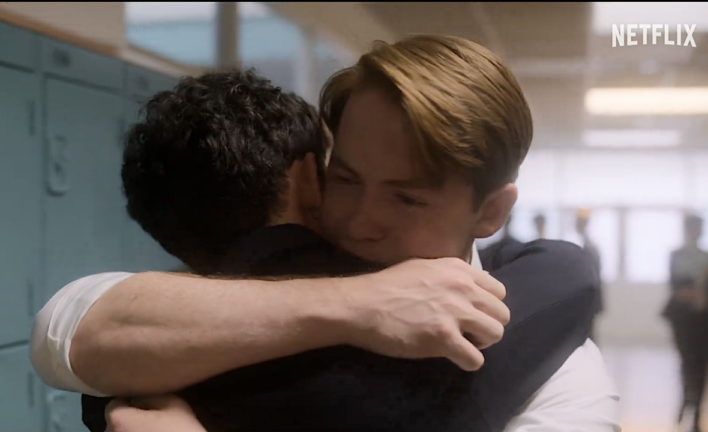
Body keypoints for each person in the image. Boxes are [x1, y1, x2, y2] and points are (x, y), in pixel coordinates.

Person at [31, 36, 619, 431]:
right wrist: (359, 302)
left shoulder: (563, 376)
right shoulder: (228, 299)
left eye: (407, 197)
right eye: (347, 180)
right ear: (313, 178)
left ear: (490, 212)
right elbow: (64, 330)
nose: (359, 223)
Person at [663, 213, 708, 432]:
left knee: (700, 365)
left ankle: (696, 409)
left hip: (702, 318)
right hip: (683, 319)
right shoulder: (676, 255)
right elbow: (675, 286)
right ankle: (687, 400)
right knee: (686, 362)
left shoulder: (705, 257)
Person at [576, 208, 604, 341]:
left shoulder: (590, 248)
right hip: (587, 297)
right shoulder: (587, 246)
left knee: (589, 334)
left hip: (589, 297)